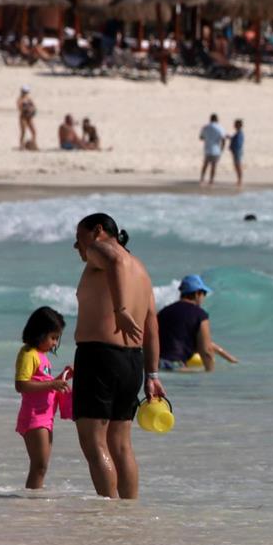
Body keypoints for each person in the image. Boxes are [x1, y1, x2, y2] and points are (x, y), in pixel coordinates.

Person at [70, 213, 167, 500]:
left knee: (93, 441)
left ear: (98, 231)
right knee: (121, 444)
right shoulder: (142, 271)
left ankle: (109, 511)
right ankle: (128, 513)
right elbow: (152, 324)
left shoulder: (103, 251)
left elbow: (112, 259)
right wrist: (152, 375)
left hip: (99, 357)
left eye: (79, 238)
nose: (77, 247)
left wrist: (120, 309)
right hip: (131, 361)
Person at [13, 306, 72, 490]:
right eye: (53, 337)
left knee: (41, 466)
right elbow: (21, 385)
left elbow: (42, 384)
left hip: (46, 417)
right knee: (39, 466)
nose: (55, 343)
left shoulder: (42, 356)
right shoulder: (28, 354)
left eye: (57, 338)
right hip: (34, 417)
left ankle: (33, 501)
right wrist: (52, 385)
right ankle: (32, 503)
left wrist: (61, 377)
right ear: (40, 333)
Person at [157, 275, 239, 372]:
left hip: (155, 364)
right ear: (197, 293)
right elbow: (207, 350)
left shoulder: (163, 312)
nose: (204, 297)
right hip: (175, 366)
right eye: (204, 293)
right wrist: (209, 375)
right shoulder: (200, 315)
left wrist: (230, 359)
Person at [200, 113, 227, 185]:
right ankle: (211, 180)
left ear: (210, 119)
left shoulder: (205, 127)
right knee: (213, 166)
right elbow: (223, 138)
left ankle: (202, 179)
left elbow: (201, 137)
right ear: (217, 119)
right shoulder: (220, 127)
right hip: (216, 149)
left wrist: (208, 138)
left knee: (205, 165)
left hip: (207, 148)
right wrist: (222, 148)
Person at [18, 86, 38, 151]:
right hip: (23, 117)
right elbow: (20, 108)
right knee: (23, 132)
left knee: (34, 131)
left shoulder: (29, 99)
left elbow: (34, 106)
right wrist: (27, 109)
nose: (25, 93)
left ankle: (33, 144)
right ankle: (21, 145)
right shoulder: (20, 99)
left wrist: (32, 110)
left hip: (29, 117)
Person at [229, 119, 246, 190]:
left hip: (237, 152)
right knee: (237, 166)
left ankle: (240, 180)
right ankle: (239, 180)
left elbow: (238, 143)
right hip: (236, 151)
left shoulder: (239, 133)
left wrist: (234, 149)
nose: (234, 125)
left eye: (235, 124)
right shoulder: (238, 133)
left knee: (238, 166)